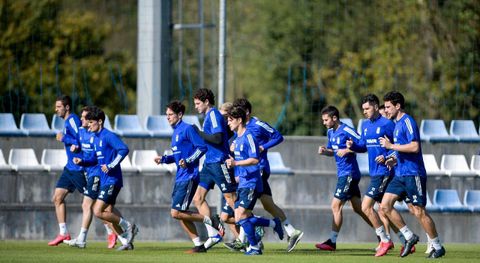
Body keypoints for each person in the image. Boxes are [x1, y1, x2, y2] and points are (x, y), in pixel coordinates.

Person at [227, 98, 303, 252]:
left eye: (238, 111)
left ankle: (246, 240)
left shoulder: (257, 125)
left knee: (242, 211)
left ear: (246, 112)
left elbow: (278, 136)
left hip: (258, 169)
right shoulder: (240, 132)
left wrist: (262, 147)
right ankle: (290, 230)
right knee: (267, 204)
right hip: (247, 171)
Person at [379, 91, 446, 258]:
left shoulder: (408, 121)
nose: (386, 110)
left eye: (388, 107)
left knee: (419, 212)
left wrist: (391, 146)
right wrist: (391, 159)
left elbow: (414, 147)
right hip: (400, 174)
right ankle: (409, 236)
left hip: (413, 174)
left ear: (397, 106)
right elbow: (402, 149)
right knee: (384, 206)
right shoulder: (396, 125)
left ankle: (437, 246)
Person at [154, 100, 221, 254]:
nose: (168, 117)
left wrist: (189, 161)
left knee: (176, 212)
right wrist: (164, 159)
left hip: (189, 176)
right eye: (167, 115)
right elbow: (178, 157)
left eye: (170, 114)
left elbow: (202, 147)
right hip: (180, 177)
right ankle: (198, 244)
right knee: (180, 214)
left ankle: (211, 221)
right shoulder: (176, 132)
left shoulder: (188, 129)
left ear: (180, 115)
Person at [346, 94, 407, 257]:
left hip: (384, 172)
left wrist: (387, 157)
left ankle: (384, 240)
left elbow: (398, 146)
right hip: (375, 172)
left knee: (365, 207)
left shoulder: (387, 124)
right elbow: (363, 146)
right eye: (363, 109)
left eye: (367, 108)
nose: (364, 112)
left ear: (374, 106)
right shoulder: (365, 125)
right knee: (384, 210)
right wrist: (353, 146)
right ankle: (406, 239)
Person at [77, 106, 138, 251]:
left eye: (91, 122)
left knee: (97, 211)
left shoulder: (108, 135)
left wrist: (110, 165)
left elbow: (124, 149)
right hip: (105, 180)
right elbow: (95, 159)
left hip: (112, 180)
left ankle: (129, 226)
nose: (89, 125)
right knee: (107, 213)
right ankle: (126, 242)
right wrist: (83, 161)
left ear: (100, 122)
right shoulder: (95, 137)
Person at [225, 106, 284, 255]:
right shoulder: (237, 140)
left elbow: (255, 159)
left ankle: (255, 247)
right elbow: (240, 159)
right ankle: (272, 223)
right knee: (240, 218)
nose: (228, 123)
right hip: (243, 182)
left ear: (239, 120)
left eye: (230, 120)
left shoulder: (249, 136)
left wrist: (236, 164)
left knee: (241, 217)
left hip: (251, 182)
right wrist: (235, 167)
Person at [316, 105, 373, 251]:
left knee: (335, 205)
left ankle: (332, 242)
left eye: (326, 119)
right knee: (359, 209)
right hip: (343, 174)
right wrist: (325, 151)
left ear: (334, 118)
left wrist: (348, 149)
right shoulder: (330, 132)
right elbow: (334, 152)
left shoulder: (346, 130)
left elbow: (363, 145)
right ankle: (383, 234)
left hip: (349, 173)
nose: (324, 122)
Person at [64, 106, 119, 249]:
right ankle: (120, 235)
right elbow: (84, 148)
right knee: (101, 208)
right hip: (88, 172)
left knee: (91, 206)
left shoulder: (97, 134)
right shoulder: (83, 132)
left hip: (97, 174)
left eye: (85, 118)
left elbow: (122, 149)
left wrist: (111, 165)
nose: (82, 120)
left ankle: (84, 238)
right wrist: (78, 153)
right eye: (82, 117)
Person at [191, 89, 235, 249]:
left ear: (207, 102)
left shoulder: (214, 115)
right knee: (198, 199)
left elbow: (217, 138)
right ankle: (213, 234)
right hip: (209, 163)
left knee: (231, 199)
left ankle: (250, 231)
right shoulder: (209, 116)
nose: (195, 107)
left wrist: (199, 133)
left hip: (218, 162)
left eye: (197, 103)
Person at [48, 95, 90, 246]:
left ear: (66, 107)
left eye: (59, 106)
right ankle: (63, 233)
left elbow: (81, 139)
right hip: (69, 168)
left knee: (93, 204)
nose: (56, 109)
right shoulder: (68, 121)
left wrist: (65, 138)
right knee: (57, 198)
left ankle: (112, 231)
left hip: (78, 168)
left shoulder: (72, 119)